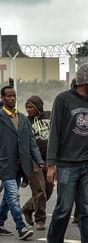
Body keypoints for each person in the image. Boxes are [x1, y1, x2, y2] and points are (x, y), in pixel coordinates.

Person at [46, 63, 88, 243]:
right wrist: (51, 165)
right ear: (86, 80)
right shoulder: (63, 99)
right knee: (63, 209)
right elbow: (54, 132)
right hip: (67, 165)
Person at [0, 86, 45, 240]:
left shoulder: (23, 118)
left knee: (8, 197)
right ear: (2, 98)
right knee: (13, 196)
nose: (12, 98)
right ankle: (21, 228)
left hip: (21, 166)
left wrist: (39, 160)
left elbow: (32, 142)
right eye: (8, 96)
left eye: (14, 96)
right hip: (5, 165)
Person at [22, 96, 54, 231]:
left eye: (31, 107)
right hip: (33, 160)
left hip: (50, 159)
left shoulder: (49, 116)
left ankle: (28, 208)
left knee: (49, 190)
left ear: (38, 107)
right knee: (39, 190)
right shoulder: (25, 121)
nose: (28, 110)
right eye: (27, 107)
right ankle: (40, 219)